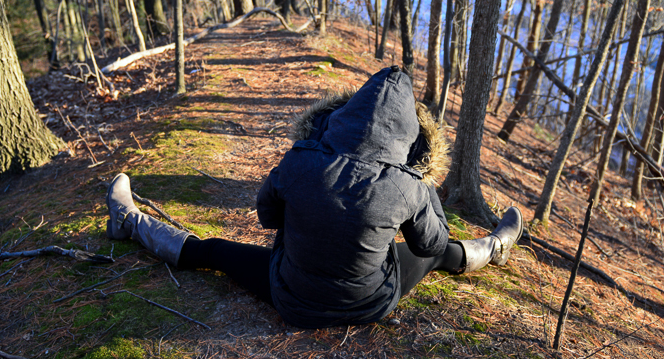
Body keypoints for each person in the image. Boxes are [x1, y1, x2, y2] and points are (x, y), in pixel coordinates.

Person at [106, 66, 523, 329]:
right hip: (370, 304)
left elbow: (267, 217)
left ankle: (127, 221)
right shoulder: (408, 184)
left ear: (345, 116)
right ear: (409, 136)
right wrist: (422, 183)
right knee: (437, 255)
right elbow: (429, 244)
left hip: (291, 295)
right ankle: (496, 248)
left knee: (212, 251)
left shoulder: (299, 160)